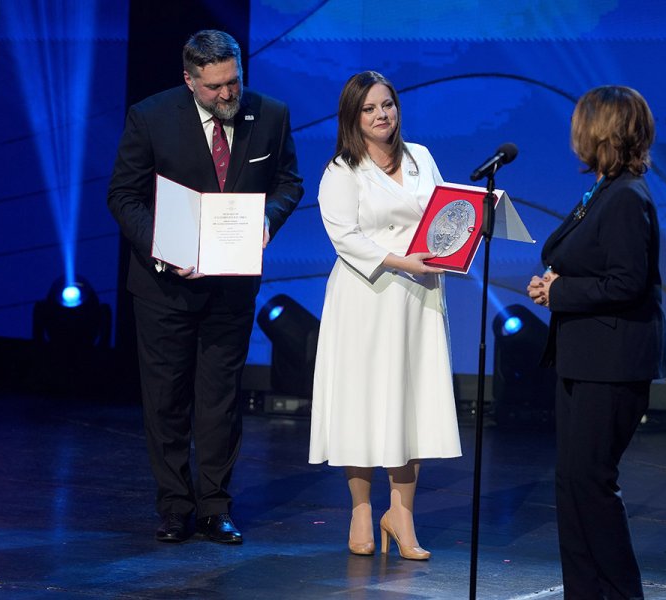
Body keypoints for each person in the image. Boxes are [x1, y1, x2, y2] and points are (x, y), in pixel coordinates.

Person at [107, 30, 303, 544]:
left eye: (233, 82)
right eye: (215, 87)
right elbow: (123, 195)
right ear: (189, 80)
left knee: (219, 400)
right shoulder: (149, 116)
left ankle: (215, 506)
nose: (227, 95)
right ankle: (175, 506)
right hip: (163, 287)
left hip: (231, 286)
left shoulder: (271, 114)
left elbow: (288, 183)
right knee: (166, 399)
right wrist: (163, 246)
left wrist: (267, 221)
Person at [308, 71, 462, 560]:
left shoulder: (421, 158)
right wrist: (401, 261)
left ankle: (401, 513)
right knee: (363, 401)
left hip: (418, 299)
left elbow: (444, 212)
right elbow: (346, 238)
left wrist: (467, 227)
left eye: (388, 105)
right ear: (354, 117)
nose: (382, 115)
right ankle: (359, 509)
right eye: (371, 108)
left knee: (409, 402)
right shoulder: (341, 169)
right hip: (365, 298)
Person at [527, 85, 666, 599]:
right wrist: (554, 282)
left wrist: (561, 290)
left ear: (602, 130)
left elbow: (628, 282)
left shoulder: (628, 197)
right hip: (582, 358)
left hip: (611, 364)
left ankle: (620, 592)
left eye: (580, 121)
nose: (574, 132)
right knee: (572, 484)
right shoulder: (605, 190)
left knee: (591, 484)